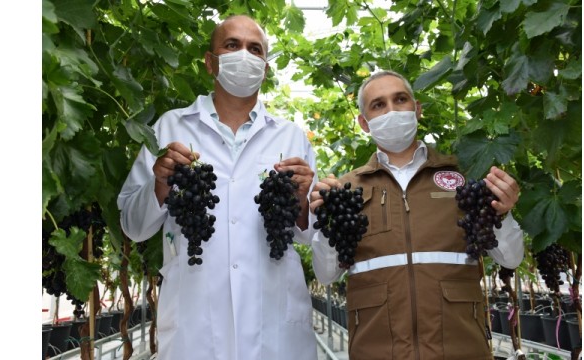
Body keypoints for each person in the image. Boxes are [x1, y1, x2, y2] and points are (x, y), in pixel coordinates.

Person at [117, 15, 318, 360]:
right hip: (194, 330)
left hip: (275, 330)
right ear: (211, 62)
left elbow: (307, 235)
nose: (244, 55)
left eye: (255, 49)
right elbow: (133, 227)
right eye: (232, 45)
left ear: (265, 68)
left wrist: (302, 202)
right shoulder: (171, 127)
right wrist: (161, 184)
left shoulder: (290, 137)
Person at [309, 70, 524, 360]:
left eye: (400, 99)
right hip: (377, 352)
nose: (392, 110)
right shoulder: (348, 189)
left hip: (462, 350)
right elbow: (326, 273)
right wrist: (327, 221)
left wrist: (502, 212)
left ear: (417, 109)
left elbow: (510, 258)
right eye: (378, 105)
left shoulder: (463, 176)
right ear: (364, 122)